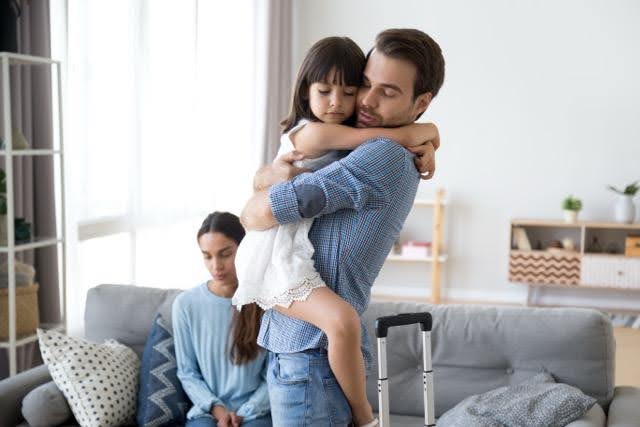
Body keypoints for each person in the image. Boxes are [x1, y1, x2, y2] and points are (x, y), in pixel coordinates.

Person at [241, 28, 445, 426]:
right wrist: (430, 133)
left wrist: (252, 204)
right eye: (364, 84)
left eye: (387, 92)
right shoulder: (357, 141)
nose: (365, 100)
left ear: (421, 102)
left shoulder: (383, 154)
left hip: (311, 358)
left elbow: (266, 211)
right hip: (302, 353)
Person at [173, 212, 272, 427]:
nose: (216, 266)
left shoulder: (267, 301)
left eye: (225, 254)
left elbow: (273, 372)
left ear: (244, 249)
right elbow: (187, 372)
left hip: (255, 414)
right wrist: (219, 412)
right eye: (207, 256)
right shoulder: (185, 305)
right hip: (207, 413)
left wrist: (244, 413)